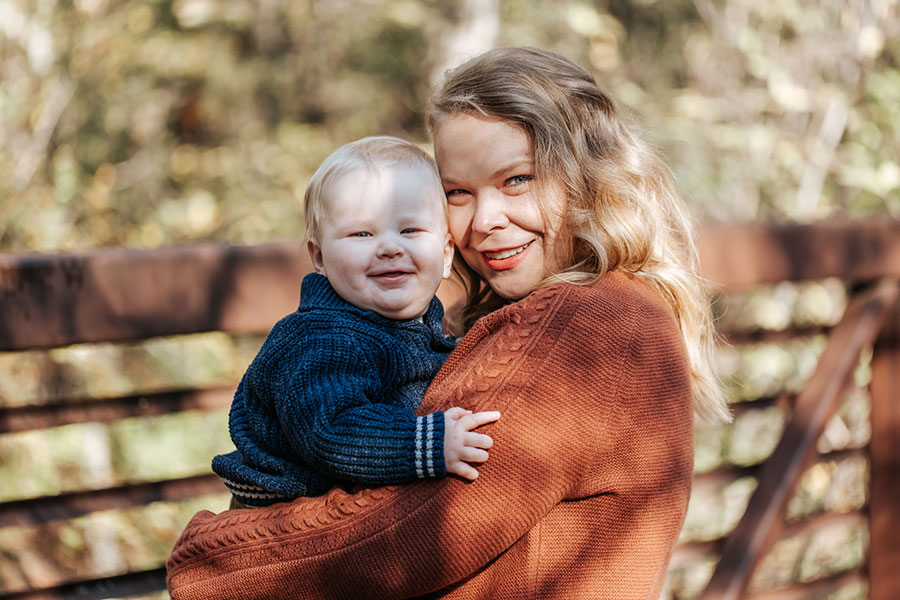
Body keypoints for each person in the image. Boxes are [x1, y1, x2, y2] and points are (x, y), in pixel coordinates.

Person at [167, 46, 731, 599]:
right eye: (457, 192)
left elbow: (412, 532)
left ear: (587, 176)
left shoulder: (584, 323)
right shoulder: (600, 309)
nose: (484, 221)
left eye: (517, 180)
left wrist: (209, 556)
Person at [211, 136, 501, 508]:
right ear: (319, 257)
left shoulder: (417, 329)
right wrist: (429, 443)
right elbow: (330, 430)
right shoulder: (320, 338)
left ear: (446, 254)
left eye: (410, 230)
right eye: (362, 233)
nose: (389, 247)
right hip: (284, 509)